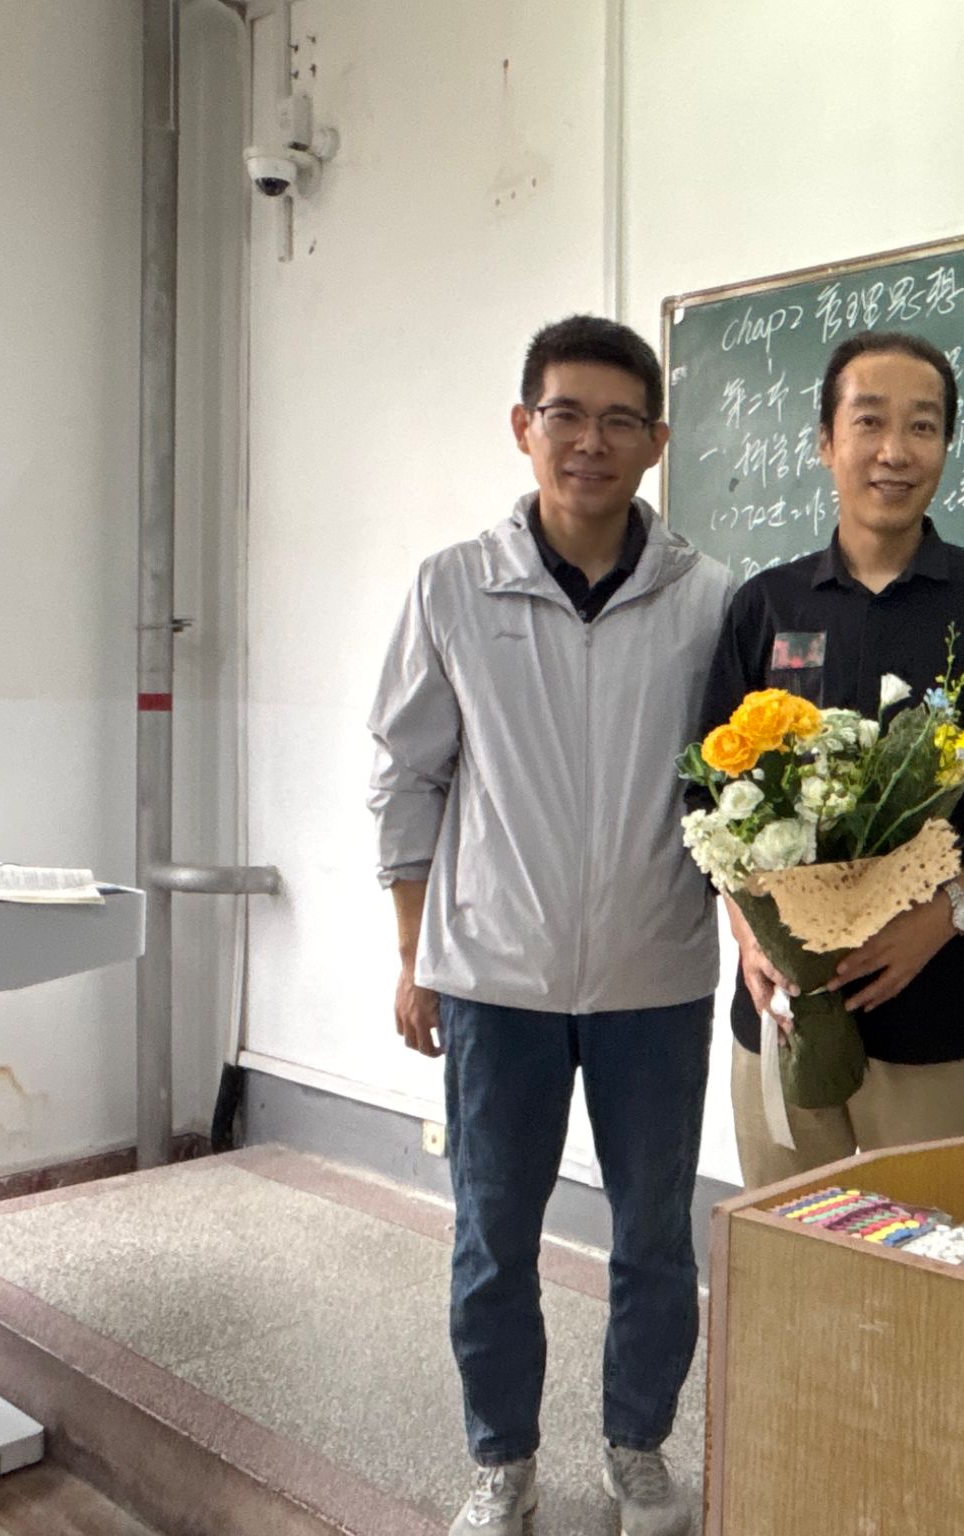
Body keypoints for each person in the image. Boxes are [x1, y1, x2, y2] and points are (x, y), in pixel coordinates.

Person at [368, 315, 728, 1536]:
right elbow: (406, 777)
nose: (590, 443)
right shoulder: (452, 585)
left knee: (654, 1240)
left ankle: (638, 1447)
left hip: (654, 975)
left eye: (620, 421)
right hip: (492, 974)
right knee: (491, 1239)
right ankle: (502, 1461)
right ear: (523, 427)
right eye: (565, 416)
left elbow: (735, 790)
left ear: (657, 442)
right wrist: (413, 955)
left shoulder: (708, 598)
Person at [700, 330, 964, 1189]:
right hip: (784, 1009)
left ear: (946, 444)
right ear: (825, 441)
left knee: (921, 1241)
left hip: (938, 1005)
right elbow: (709, 791)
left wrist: (946, 916)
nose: (895, 451)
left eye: (923, 426)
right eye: (869, 421)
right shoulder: (767, 605)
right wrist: (749, 933)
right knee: (786, 1239)